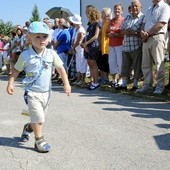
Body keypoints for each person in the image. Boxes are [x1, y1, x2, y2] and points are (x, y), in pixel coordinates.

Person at [6, 21, 71, 153]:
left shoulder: (51, 54)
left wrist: (66, 83)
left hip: (46, 93)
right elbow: (16, 70)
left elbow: (61, 69)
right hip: (32, 93)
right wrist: (10, 83)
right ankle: (39, 141)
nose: (42, 40)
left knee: (39, 118)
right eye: (37, 37)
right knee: (39, 118)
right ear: (29, 38)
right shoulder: (25, 55)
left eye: (44, 37)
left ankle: (28, 128)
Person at [137, 0, 170, 94]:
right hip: (146, 38)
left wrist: (147, 33)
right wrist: (142, 32)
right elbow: (143, 23)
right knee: (145, 64)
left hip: (157, 37)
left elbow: (161, 23)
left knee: (159, 62)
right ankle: (147, 85)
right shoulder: (149, 8)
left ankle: (160, 86)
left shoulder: (165, 7)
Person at [115, 0, 144, 91]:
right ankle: (124, 85)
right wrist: (128, 32)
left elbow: (142, 31)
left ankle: (135, 85)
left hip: (136, 46)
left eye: (136, 6)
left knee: (136, 66)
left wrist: (134, 32)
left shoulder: (143, 17)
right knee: (125, 67)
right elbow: (121, 30)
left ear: (140, 7)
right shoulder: (128, 17)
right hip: (126, 46)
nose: (134, 8)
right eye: (132, 6)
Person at [82, 7, 101, 90]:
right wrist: (85, 45)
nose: (87, 14)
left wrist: (87, 43)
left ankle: (96, 82)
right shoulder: (89, 24)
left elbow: (96, 36)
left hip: (93, 45)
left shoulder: (97, 23)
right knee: (89, 63)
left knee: (93, 63)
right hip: (87, 45)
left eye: (88, 13)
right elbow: (87, 34)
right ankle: (93, 81)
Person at [107, 4, 124, 87]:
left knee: (120, 63)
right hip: (111, 45)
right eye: (115, 9)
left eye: (119, 9)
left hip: (120, 44)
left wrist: (114, 35)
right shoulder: (111, 21)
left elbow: (124, 34)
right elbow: (107, 31)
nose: (117, 11)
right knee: (112, 62)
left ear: (122, 11)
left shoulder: (123, 20)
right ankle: (113, 79)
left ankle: (120, 79)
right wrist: (109, 34)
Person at [69, 14, 87, 86]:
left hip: (81, 50)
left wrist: (72, 48)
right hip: (77, 50)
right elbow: (74, 40)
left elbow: (79, 41)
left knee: (82, 64)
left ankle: (82, 80)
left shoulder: (81, 30)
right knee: (78, 65)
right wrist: (73, 47)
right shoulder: (75, 29)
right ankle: (79, 79)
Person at [97, 7, 112, 85]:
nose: (104, 15)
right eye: (103, 13)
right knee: (100, 62)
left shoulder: (109, 22)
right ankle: (102, 77)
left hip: (107, 45)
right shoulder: (101, 23)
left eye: (105, 14)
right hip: (101, 44)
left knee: (106, 62)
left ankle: (106, 78)